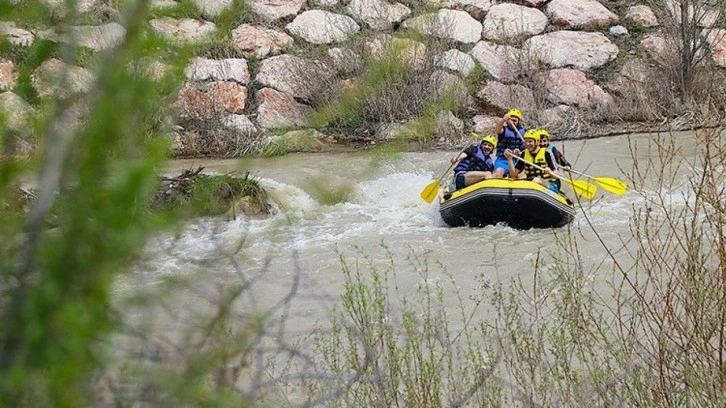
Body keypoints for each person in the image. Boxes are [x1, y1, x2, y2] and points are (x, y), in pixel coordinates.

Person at [492, 108, 526, 178]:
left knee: (522, 175)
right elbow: (497, 130)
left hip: (518, 160)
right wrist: (503, 120)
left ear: (519, 121)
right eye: (511, 120)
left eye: (515, 121)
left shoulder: (524, 131)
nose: (512, 122)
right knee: (498, 172)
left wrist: (520, 153)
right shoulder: (503, 129)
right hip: (503, 159)